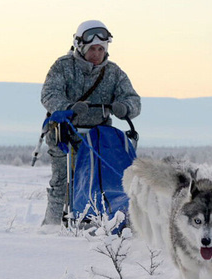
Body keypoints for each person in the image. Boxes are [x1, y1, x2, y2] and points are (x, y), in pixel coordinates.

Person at [41, 20, 141, 226]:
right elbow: (49, 94)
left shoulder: (114, 73)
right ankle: (51, 228)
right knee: (62, 181)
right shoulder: (63, 67)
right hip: (64, 134)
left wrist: (124, 107)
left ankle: (98, 222)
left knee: (101, 180)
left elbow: (133, 100)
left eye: (100, 49)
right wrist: (68, 107)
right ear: (80, 46)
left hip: (98, 138)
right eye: (92, 49)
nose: (96, 54)